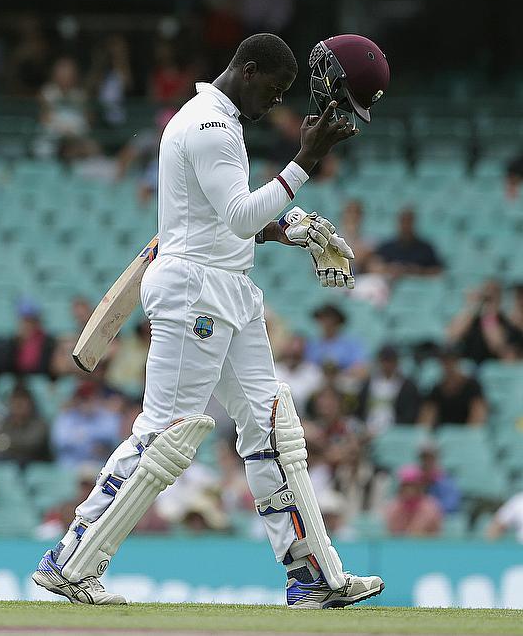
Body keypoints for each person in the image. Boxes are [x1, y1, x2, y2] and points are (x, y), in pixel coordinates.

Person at [32, 33, 386, 607]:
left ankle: (313, 578)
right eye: (271, 90)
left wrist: (289, 229)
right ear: (247, 70)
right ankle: (70, 563)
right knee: (165, 435)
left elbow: (224, 222)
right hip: (193, 292)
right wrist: (306, 160)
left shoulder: (222, 124)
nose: (273, 104)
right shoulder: (209, 127)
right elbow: (242, 216)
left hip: (230, 288)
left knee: (274, 429)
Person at [447, 281, 523, 364]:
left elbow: (496, 345)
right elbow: (452, 335)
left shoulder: (507, 320)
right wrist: (471, 307)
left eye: (493, 294)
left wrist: (489, 311)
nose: (487, 296)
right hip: (468, 364)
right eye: (485, 292)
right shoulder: (471, 318)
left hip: (493, 366)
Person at [51, 381, 121, 470]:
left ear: (97, 398)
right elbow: (59, 441)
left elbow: (113, 436)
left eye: (91, 398)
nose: (87, 402)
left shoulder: (107, 415)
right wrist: (91, 440)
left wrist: (82, 435)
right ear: (77, 400)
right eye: (84, 399)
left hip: (99, 467)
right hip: (70, 468)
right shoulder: (67, 416)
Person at [354, 345, 420, 433]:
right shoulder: (368, 384)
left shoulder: (407, 387)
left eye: (390, 361)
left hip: (395, 430)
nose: (387, 365)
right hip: (368, 428)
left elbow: (410, 414)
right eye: (384, 361)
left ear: (396, 362)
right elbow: (359, 408)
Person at [0, 384, 51, 465]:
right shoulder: (4, 424)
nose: (18, 406)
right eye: (15, 402)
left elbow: (31, 445)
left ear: (30, 404)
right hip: (7, 467)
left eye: (22, 403)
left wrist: (5, 443)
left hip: (37, 469)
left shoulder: (40, 424)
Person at [418, 348, 487, 428]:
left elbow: (478, 414)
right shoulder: (437, 389)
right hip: (444, 434)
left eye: (451, 361)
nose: (448, 365)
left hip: (466, 433)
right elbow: (427, 416)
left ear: (457, 362)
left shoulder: (472, 386)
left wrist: (467, 436)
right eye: (444, 362)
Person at [374, 208, 443, 277]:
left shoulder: (426, 249)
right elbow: (373, 266)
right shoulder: (386, 248)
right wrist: (390, 269)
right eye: (403, 221)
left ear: (414, 223)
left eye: (409, 221)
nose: (406, 225)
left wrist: (420, 271)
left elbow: (438, 270)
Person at [305, 304, 367, 377]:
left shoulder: (351, 345)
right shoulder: (312, 346)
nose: (327, 323)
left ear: (338, 322)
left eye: (331, 319)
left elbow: (362, 369)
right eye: (323, 319)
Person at [383, 465, 443, 537]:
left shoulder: (431, 507)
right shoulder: (393, 507)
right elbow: (393, 533)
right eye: (405, 485)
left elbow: (420, 533)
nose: (408, 489)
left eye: (412, 485)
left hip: (426, 546)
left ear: (420, 486)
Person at [274, 334, 324, 412]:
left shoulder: (314, 373)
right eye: (290, 352)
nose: (292, 356)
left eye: (296, 354)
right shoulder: (275, 371)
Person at [5, 300, 55, 376]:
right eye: (24, 320)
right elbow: (8, 368)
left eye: (30, 320)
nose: (26, 324)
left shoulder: (48, 341)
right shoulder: (14, 342)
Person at [105, 319, 151, 394]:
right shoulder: (127, 342)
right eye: (144, 331)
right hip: (112, 386)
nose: (146, 334)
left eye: (148, 332)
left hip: (132, 393)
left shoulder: (150, 352)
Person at [416, 441, 461, 515]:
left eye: (430, 458)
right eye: (424, 458)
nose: (426, 462)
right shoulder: (414, 481)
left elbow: (451, 505)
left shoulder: (447, 481)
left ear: (437, 459)